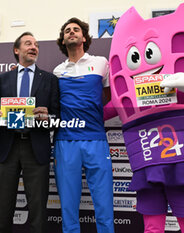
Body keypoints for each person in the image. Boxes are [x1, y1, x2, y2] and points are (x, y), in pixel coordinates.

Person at [104, 2, 184, 232]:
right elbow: (110, 109)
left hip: (182, 157)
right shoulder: (128, 88)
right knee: (152, 224)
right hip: (147, 156)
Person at [0, 32, 59, 233]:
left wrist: (47, 118)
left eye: (36, 44)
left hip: (36, 148)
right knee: (3, 209)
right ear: (16, 50)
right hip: (8, 148)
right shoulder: (3, 79)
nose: (33, 47)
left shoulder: (49, 79)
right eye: (28, 43)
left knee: (38, 211)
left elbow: (56, 119)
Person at [53, 18, 114, 233]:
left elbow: (107, 97)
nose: (71, 32)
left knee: (104, 205)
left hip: (96, 139)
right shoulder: (57, 71)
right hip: (65, 141)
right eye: (67, 30)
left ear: (84, 37)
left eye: (76, 29)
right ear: (63, 39)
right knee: (68, 208)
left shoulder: (100, 62)